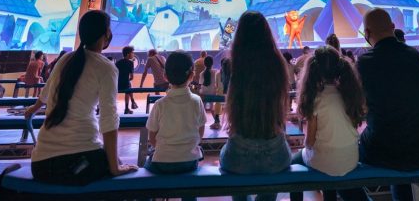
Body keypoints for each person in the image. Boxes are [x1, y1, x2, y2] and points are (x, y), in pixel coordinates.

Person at [24, 10, 136, 185]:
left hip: (40, 166)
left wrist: (34, 108)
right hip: (74, 164)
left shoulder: (66, 59)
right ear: (107, 33)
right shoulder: (106, 67)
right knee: (118, 170)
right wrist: (115, 167)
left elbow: (47, 91)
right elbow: (109, 117)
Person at [356, 8, 419, 201]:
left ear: (367, 33)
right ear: (393, 27)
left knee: (340, 162)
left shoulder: (364, 62)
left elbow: (358, 106)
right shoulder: (415, 56)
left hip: (384, 150)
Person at [220, 11, 291, 201]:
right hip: (275, 153)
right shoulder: (278, 64)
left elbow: (232, 107)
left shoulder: (232, 65)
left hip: (238, 153)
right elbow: (280, 114)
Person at [292, 46, 364, 201]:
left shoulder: (316, 98)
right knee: (327, 160)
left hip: (325, 162)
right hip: (351, 159)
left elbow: (310, 142)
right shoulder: (349, 94)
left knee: (295, 162)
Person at [145, 50, 206, 201]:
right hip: (189, 161)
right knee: (190, 188)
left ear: (165, 76)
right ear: (191, 75)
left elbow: (152, 138)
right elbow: (200, 134)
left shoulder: (160, 104)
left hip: (162, 162)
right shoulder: (197, 101)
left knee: (145, 168)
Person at [115, 46, 138, 113]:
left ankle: (132, 103)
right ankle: (128, 106)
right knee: (128, 86)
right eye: (132, 52)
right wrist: (128, 80)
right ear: (128, 54)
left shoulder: (118, 62)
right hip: (125, 84)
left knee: (128, 85)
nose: (133, 54)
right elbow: (132, 77)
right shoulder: (130, 63)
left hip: (117, 84)